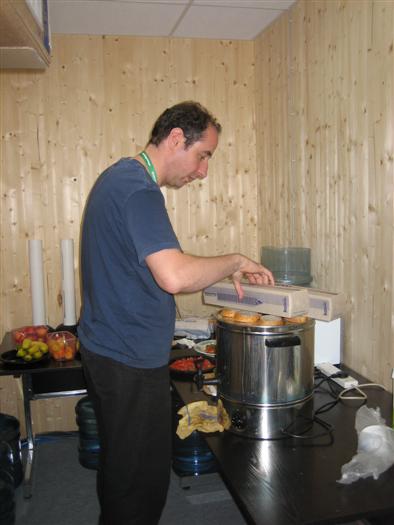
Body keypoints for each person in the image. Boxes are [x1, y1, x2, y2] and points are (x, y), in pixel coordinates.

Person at [78, 101, 274, 525]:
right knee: (140, 482)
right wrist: (236, 259)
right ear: (175, 139)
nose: (203, 171)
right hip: (127, 358)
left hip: (110, 349)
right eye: (203, 155)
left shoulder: (118, 179)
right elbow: (175, 276)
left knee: (123, 465)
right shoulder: (138, 190)